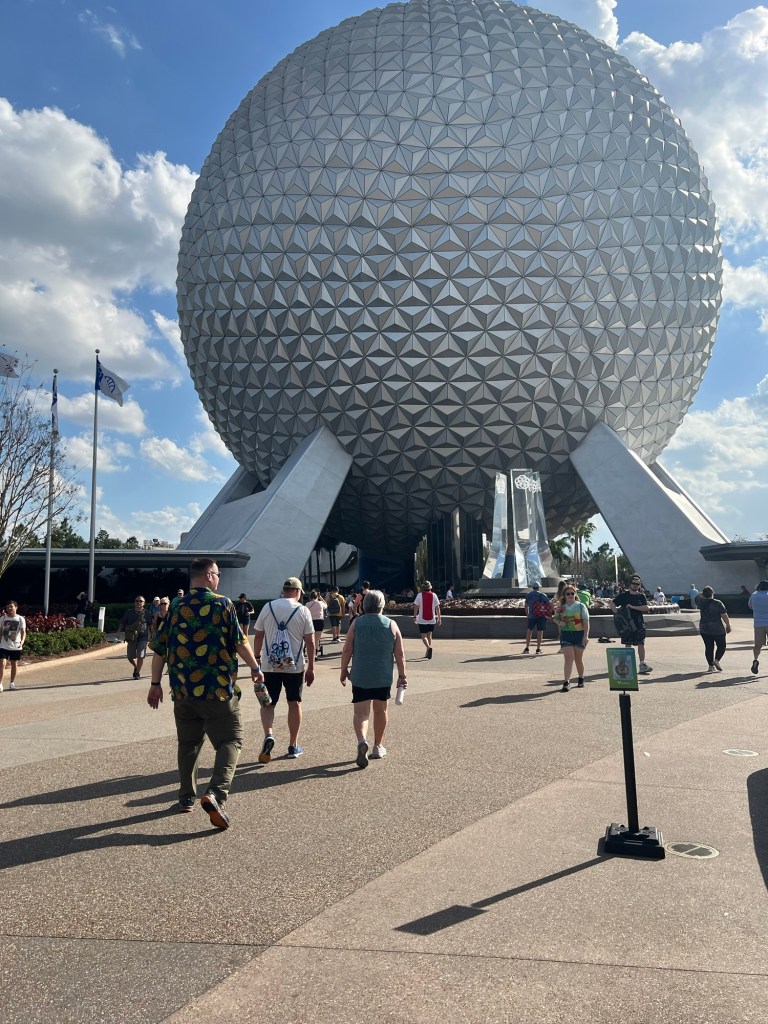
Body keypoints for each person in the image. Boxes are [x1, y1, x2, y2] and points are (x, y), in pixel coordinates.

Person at [147, 557, 261, 830]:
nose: (219, 578)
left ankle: (186, 798)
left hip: (183, 690)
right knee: (231, 740)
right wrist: (256, 668)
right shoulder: (223, 604)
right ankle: (216, 794)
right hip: (216, 688)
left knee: (188, 743)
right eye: (218, 574)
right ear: (209, 575)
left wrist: (154, 683)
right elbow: (239, 642)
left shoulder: (176, 606)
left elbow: (160, 648)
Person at [340, 589, 407, 766]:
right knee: (380, 710)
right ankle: (377, 746)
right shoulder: (391, 624)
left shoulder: (357, 623)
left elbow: (347, 649)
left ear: (364, 605)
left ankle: (362, 740)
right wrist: (402, 675)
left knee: (361, 713)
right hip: (382, 676)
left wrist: (343, 670)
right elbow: (400, 654)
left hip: (360, 675)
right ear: (382, 605)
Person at [252, 577, 316, 760]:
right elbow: (310, 641)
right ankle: (293, 746)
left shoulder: (268, 607)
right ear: (298, 591)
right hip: (294, 667)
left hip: (269, 665)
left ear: (284, 590)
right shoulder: (303, 610)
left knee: (268, 704)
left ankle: (269, 734)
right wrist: (311, 667)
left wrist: (257, 660)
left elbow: (258, 636)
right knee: (294, 703)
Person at [608, 575, 652, 674]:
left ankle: (642, 664)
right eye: (633, 583)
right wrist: (617, 614)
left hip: (639, 623)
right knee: (628, 644)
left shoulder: (641, 596)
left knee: (641, 643)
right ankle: (628, 664)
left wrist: (632, 607)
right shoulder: (624, 595)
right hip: (627, 625)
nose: (635, 585)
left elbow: (646, 608)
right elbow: (612, 604)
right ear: (630, 584)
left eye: (637, 584)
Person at [553, 585, 589, 691]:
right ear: (564, 595)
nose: (570, 595)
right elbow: (555, 618)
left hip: (579, 634)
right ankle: (566, 682)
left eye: (572, 593)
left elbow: (586, 622)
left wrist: (586, 635)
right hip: (566, 634)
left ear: (575, 594)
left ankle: (581, 678)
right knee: (568, 659)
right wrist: (560, 622)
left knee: (578, 659)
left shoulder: (581, 606)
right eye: (567, 593)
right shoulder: (561, 607)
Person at [696, 586, 731, 672]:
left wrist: (702, 594)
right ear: (712, 593)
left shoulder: (700, 602)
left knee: (709, 647)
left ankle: (710, 666)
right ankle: (717, 660)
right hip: (717, 628)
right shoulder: (718, 603)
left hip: (704, 628)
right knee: (722, 646)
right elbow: (724, 615)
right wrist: (728, 625)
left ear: (703, 594)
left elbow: (697, 596)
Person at [118, 596, 153, 680]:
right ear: (134, 602)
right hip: (131, 637)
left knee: (140, 655)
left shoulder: (147, 613)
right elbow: (123, 622)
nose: (138, 602)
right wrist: (118, 631)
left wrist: (153, 635)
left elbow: (151, 625)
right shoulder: (129, 612)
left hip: (143, 637)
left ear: (144, 603)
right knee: (130, 657)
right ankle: (136, 666)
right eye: (137, 601)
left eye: (141, 601)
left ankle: (137, 673)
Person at [0, 600, 26, 691]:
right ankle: (0, 684)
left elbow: (23, 632)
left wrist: (22, 641)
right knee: (2, 663)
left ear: (16, 607)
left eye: (11, 606)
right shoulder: (3, 618)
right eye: (7, 607)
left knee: (14, 664)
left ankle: (12, 683)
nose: (9, 608)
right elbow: (0, 631)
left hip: (16, 646)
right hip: (3, 645)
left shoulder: (20, 619)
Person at [413, 581, 441, 658]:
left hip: (422, 619)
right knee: (429, 635)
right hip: (432, 619)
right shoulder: (434, 595)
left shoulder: (419, 595)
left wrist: (414, 617)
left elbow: (416, 607)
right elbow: (437, 607)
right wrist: (439, 618)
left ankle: (428, 648)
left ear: (423, 587)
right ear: (430, 587)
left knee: (423, 636)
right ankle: (427, 652)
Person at [523, 580, 549, 655]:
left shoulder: (528, 595)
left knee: (529, 631)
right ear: (538, 587)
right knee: (540, 632)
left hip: (531, 616)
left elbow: (526, 606)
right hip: (541, 615)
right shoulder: (543, 595)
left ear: (533, 587)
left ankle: (527, 648)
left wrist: (527, 614)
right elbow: (548, 604)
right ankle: (538, 649)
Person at [748, 580, 768, 675]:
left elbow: (750, 606)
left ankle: (755, 659)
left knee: (758, 645)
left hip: (758, 623)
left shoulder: (754, 595)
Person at [305, 589, 327, 658]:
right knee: (317, 639)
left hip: (311, 622)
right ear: (317, 596)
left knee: (311, 639)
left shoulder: (307, 604)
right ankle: (315, 654)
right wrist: (320, 597)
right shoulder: (320, 603)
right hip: (320, 621)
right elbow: (326, 605)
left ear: (310, 597)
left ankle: (309, 653)